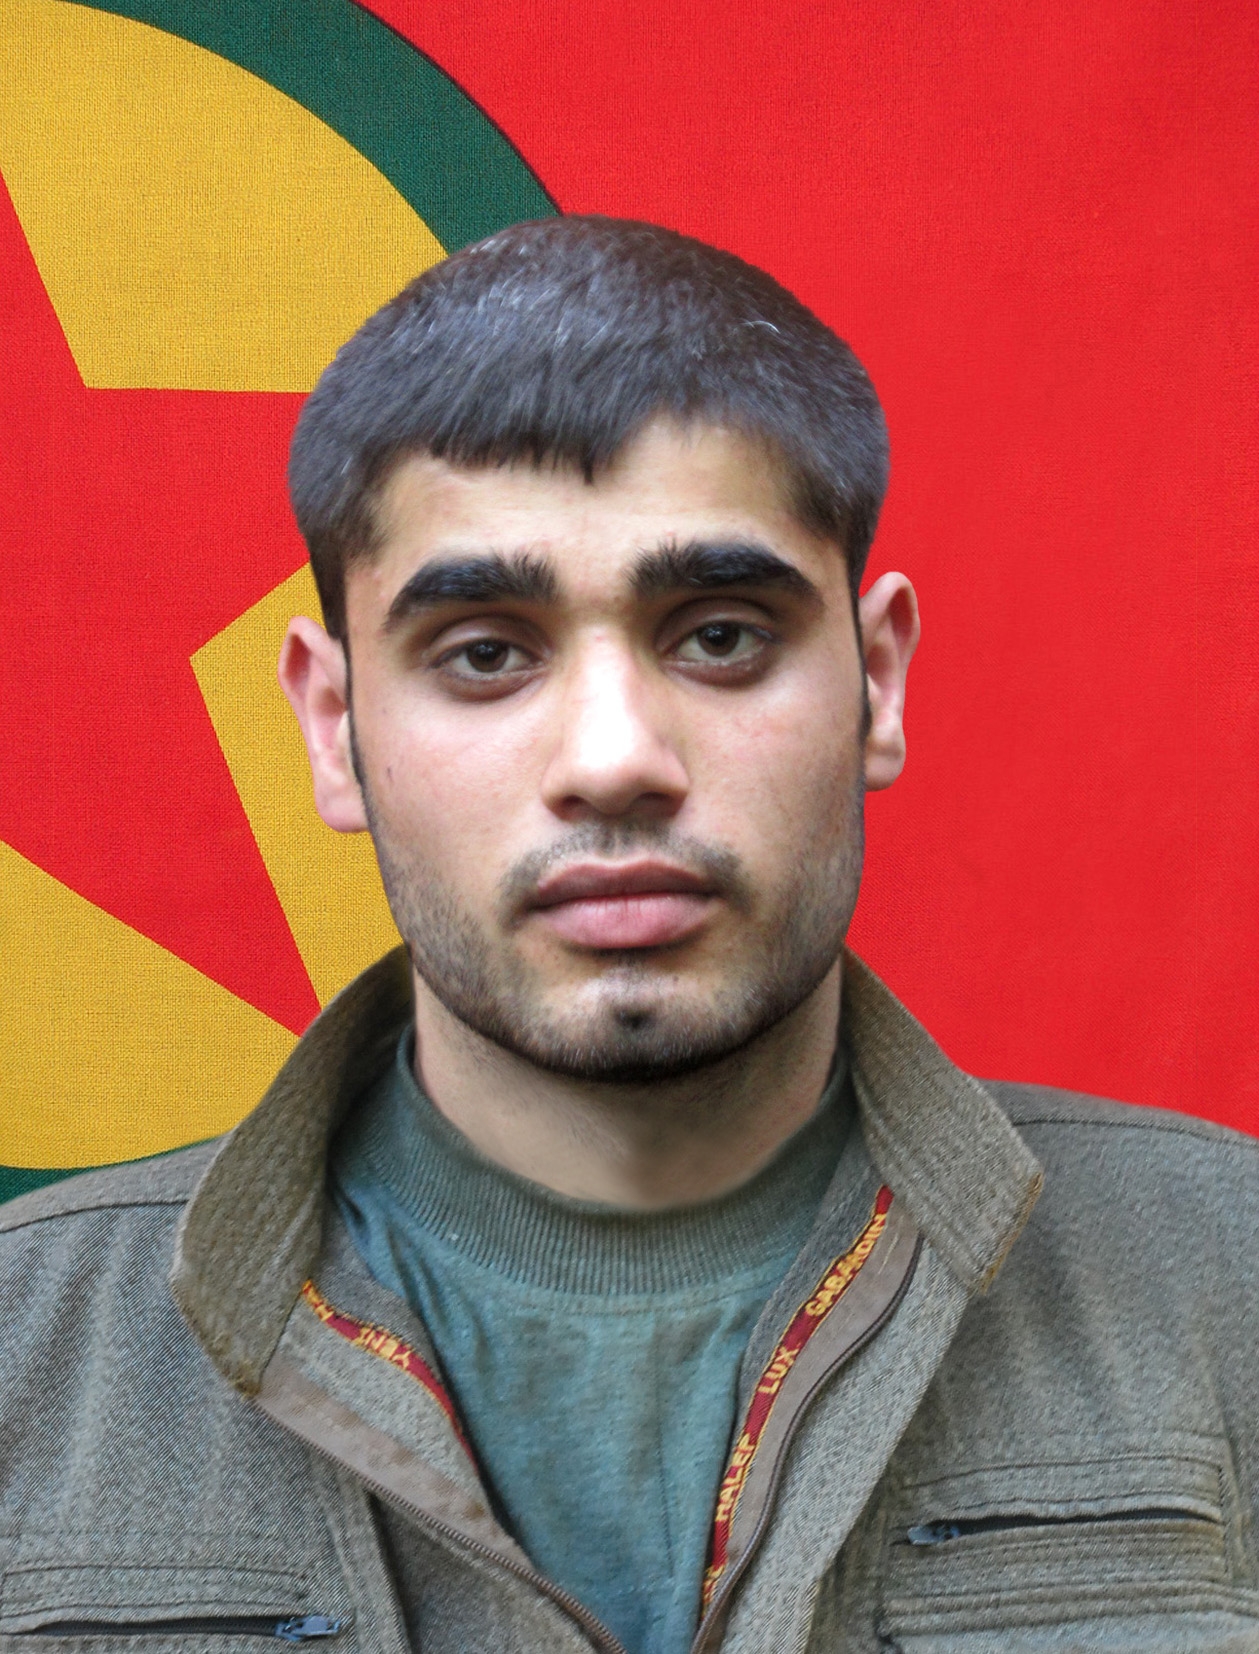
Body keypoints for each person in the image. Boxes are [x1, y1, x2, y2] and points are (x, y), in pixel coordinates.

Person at [1, 217, 1256, 1654]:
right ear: (334, 727)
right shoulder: (24, 1357)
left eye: (719, 634)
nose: (613, 760)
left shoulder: (1232, 1278)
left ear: (878, 679)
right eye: (485, 653)